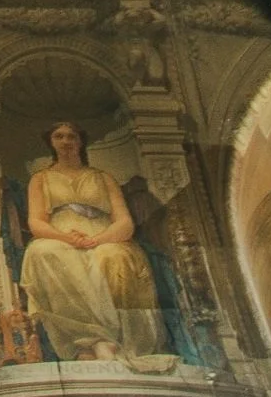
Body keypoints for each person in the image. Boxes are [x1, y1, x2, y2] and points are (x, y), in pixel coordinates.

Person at [18, 122, 163, 361]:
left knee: (114, 256)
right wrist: (66, 237)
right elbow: (36, 222)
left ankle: (116, 341)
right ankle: (86, 341)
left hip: (104, 235)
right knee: (43, 252)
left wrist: (98, 239)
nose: (66, 141)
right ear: (51, 142)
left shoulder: (102, 178)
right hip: (61, 236)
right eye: (59, 136)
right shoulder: (41, 179)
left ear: (80, 141)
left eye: (71, 136)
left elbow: (124, 222)